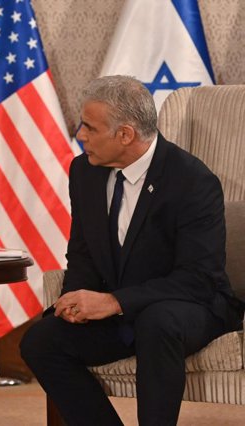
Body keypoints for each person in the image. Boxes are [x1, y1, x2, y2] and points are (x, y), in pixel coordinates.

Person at [20, 75, 243, 425]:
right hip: (122, 312)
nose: (80, 136)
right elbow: (83, 252)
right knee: (41, 340)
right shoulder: (84, 172)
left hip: (191, 307)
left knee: (159, 321)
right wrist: (75, 302)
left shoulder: (193, 181)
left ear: (125, 134)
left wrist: (113, 302)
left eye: (90, 128)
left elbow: (197, 279)